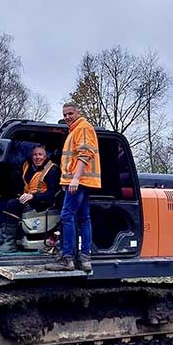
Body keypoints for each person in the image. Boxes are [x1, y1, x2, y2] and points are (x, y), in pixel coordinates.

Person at [46, 102, 101, 272]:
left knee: (66, 216)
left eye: (70, 113)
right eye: (65, 115)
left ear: (78, 112)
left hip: (79, 182)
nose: (67, 117)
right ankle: (85, 259)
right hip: (80, 182)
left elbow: (85, 154)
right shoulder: (74, 130)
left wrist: (75, 179)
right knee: (84, 219)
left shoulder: (83, 128)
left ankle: (67, 258)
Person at [0, 144, 60, 253]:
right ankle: (7, 237)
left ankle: (10, 243)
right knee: (4, 203)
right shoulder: (26, 166)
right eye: (35, 154)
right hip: (29, 198)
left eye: (40, 154)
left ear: (46, 156)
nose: (37, 157)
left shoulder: (52, 170)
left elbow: (51, 194)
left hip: (43, 201)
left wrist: (33, 196)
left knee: (12, 204)